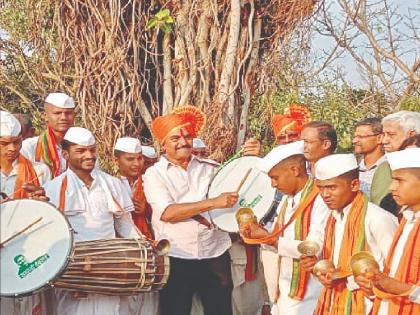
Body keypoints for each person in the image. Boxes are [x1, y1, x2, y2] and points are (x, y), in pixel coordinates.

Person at [143, 105, 238, 315]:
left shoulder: (211, 167)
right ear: (163, 144)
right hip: (177, 256)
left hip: (215, 253)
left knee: (220, 310)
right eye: (175, 138)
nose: (183, 142)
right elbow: (168, 214)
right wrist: (212, 202)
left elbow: (232, 202)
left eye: (187, 136)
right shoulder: (154, 174)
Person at [43, 127, 142, 315]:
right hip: (73, 269)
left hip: (109, 266)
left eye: (92, 150)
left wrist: (143, 247)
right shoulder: (52, 188)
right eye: (80, 151)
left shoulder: (112, 183)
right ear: (65, 154)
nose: (89, 155)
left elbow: (124, 224)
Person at [239, 141, 329, 315]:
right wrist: (257, 233)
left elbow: (314, 247)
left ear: (295, 170)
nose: (273, 184)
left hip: (310, 294)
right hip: (284, 291)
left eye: (275, 178)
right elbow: (276, 239)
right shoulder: (287, 201)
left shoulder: (320, 199)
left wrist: (269, 239)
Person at [302, 154, 398, 315]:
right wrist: (320, 272)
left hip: (368, 306)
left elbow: (396, 272)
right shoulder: (331, 217)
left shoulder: (378, 219)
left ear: (354, 184)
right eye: (321, 188)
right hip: (332, 303)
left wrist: (361, 282)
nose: (325, 194)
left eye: (332, 187)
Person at [355, 147, 420, 315]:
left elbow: (399, 286)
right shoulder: (407, 219)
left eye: (400, 180)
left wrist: (399, 288)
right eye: (392, 180)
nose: (392, 187)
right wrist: (375, 286)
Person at [0, 111, 51, 315]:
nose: (12, 149)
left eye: (17, 142)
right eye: (4, 143)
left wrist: (43, 203)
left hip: (27, 253)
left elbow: (51, 218)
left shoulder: (39, 171)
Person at [113, 137, 159, 315]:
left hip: (150, 249)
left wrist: (147, 210)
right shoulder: (110, 184)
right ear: (116, 160)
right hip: (123, 253)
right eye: (130, 159)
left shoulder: (151, 181)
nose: (136, 163)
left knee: (148, 305)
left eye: (139, 158)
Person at [21, 92, 76, 177]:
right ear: (45, 116)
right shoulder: (29, 147)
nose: (63, 118)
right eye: (57, 113)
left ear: (74, 116)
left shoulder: (84, 147)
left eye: (68, 113)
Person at [352, 118, 393, 209]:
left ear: (379, 138)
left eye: (361, 137)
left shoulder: (391, 168)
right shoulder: (353, 169)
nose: (354, 141)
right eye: (355, 137)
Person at [242, 103, 312, 156]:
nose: (287, 140)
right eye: (282, 137)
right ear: (277, 141)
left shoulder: (313, 159)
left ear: (302, 136)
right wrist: (256, 155)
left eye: (292, 135)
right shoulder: (274, 158)